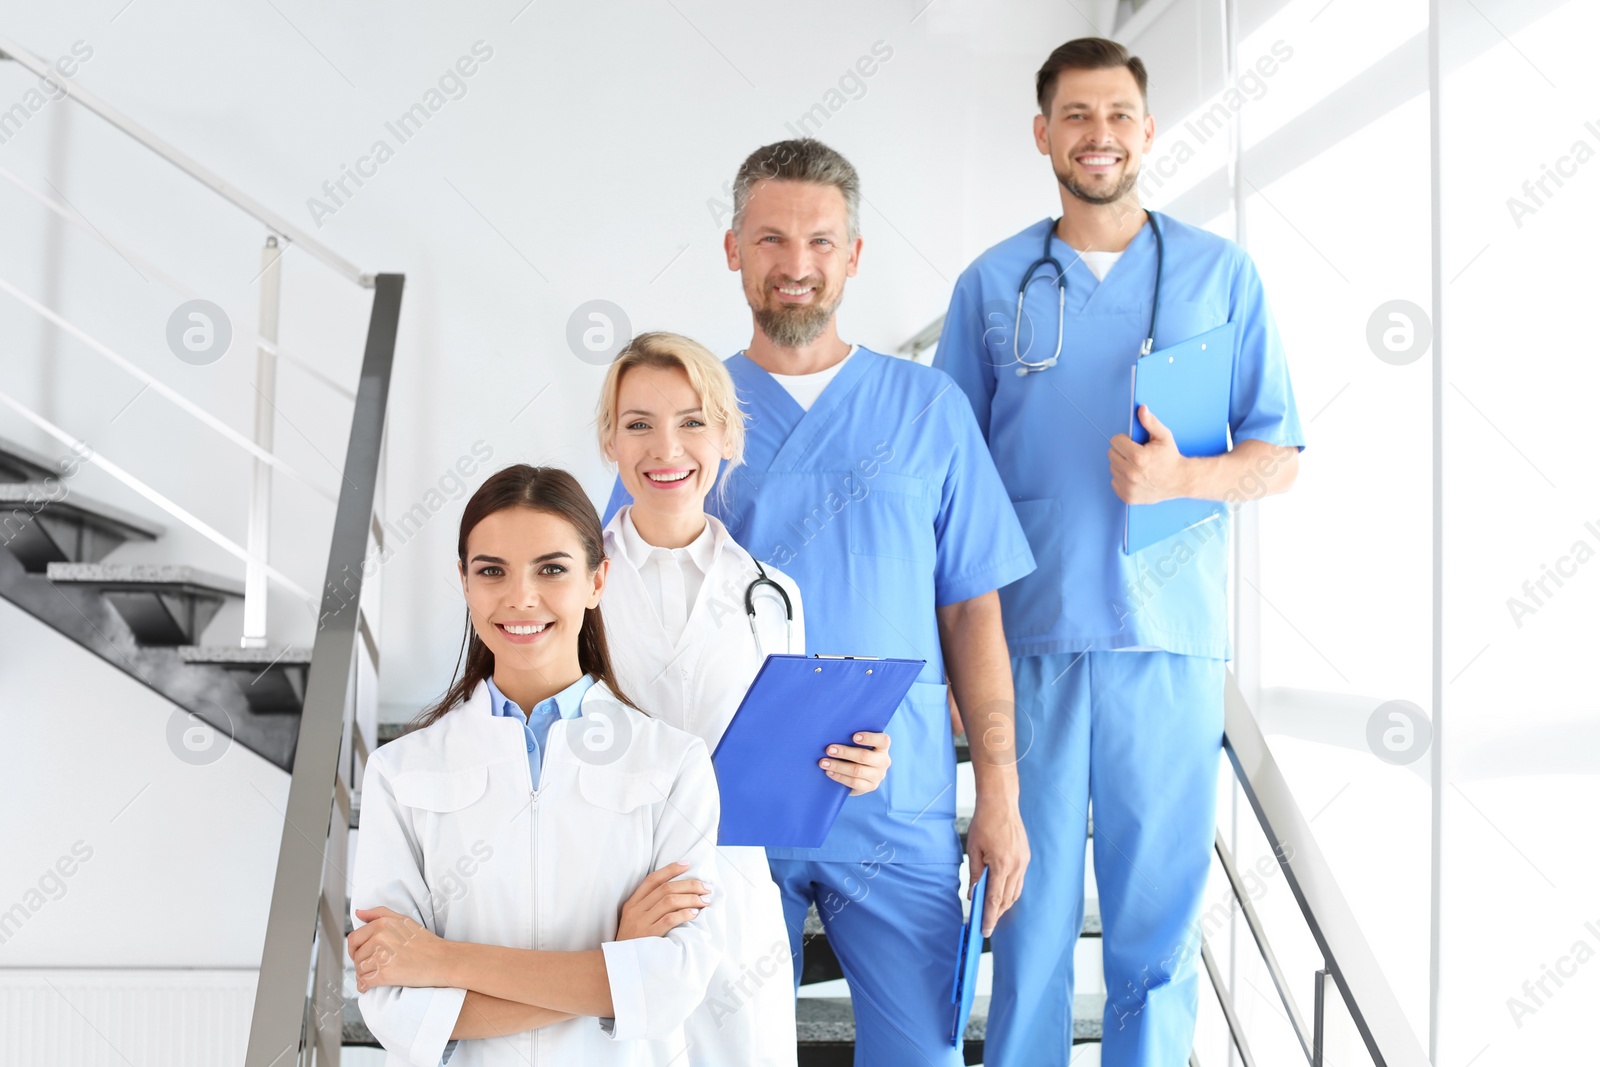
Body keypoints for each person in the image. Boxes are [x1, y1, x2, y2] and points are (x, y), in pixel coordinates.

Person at [606, 138, 1035, 1066]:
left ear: (854, 254)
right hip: (723, 807)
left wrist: (997, 791)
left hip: (893, 800)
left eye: (819, 241)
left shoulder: (929, 411)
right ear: (732, 250)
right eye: (769, 239)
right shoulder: (690, 419)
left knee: (920, 1052)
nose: (795, 265)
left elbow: (973, 613)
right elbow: (613, 598)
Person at [932, 37, 1305, 1066]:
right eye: (1077, 115)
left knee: (1156, 927)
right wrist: (951, 665)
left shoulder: (1219, 274)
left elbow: (1280, 454)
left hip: (1166, 639)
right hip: (1027, 642)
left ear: (1146, 130)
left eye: (1118, 115)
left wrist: (1187, 477)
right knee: (1027, 917)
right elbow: (947, 491)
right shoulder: (990, 283)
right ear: (1044, 132)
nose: (1099, 135)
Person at [348, 465, 724, 1066]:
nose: (521, 597)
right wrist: (611, 973)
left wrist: (440, 961)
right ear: (465, 584)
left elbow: (672, 983)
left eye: (551, 569)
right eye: (491, 571)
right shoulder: (401, 771)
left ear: (598, 581)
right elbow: (396, 1006)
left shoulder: (673, 763)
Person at [594, 329, 892, 1066]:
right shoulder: (571, 582)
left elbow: (783, 750)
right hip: (604, 891)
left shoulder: (773, 597)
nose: (667, 448)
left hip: (733, 898)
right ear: (609, 441)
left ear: (728, 435)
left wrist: (850, 765)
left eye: (693, 421)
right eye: (639, 424)